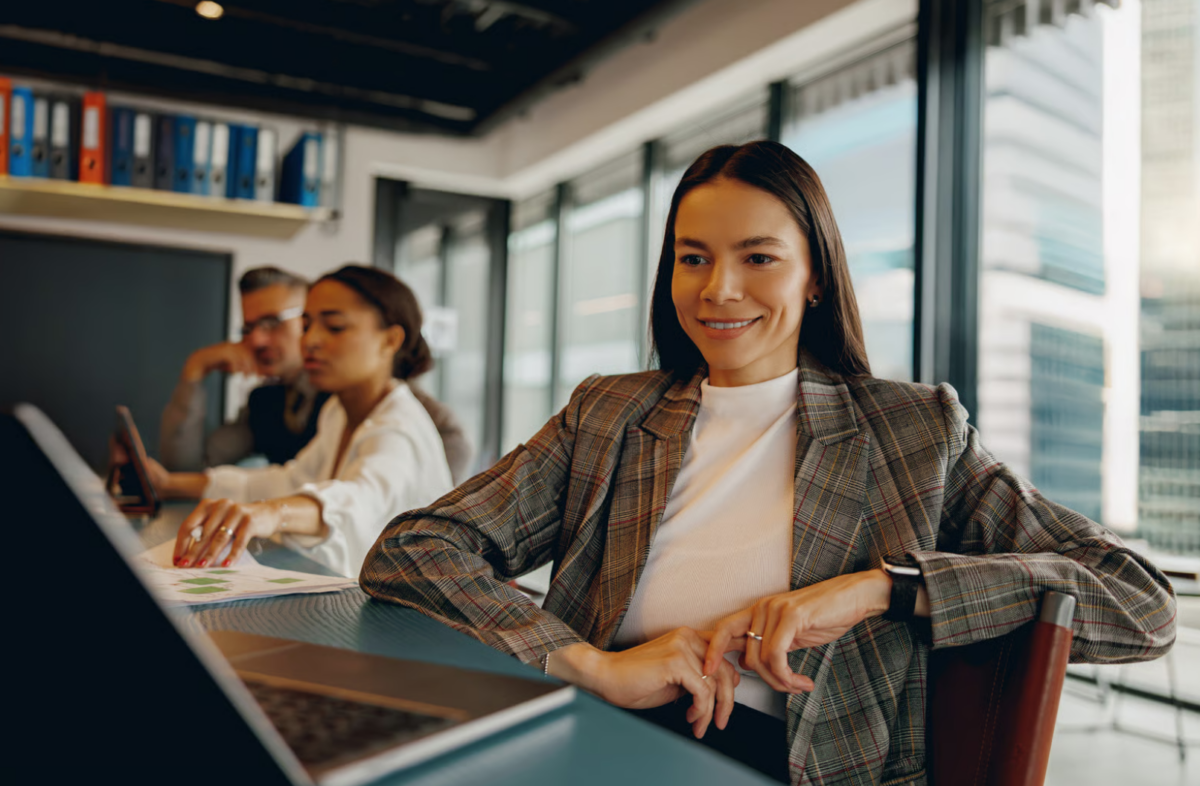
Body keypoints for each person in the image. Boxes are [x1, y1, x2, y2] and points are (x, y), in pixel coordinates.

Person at [357, 141, 1177, 785]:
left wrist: (882, 589)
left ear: (815, 275)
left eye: (758, 257)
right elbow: (412, 550)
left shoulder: (913, 431)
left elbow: (1140, 603)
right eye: (692, 257)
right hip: (595, 737)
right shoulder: (610, 412)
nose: (718, 290)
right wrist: (592, 667)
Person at [146, 265, 454, 578]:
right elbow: (290, 480)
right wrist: (170, 484)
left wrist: (271, 513)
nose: (311, 341)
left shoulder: (398, 427)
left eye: (334, 327)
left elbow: (357, 500)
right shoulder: (338, 408)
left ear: (391, 340)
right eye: (306, 325)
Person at [160, 265, 474, 484]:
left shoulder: (366, 393)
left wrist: (402, 501)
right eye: (249, 328)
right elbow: (190, 467)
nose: (256, 340)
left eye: (273, 322)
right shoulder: (267, 401)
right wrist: (194, 373)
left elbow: (452, 442)